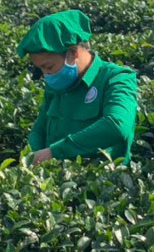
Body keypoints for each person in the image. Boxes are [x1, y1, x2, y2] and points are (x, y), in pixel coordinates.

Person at [17, 10, 137, 164]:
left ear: (73, 52)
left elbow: (117, 126)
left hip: (100, 181)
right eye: (40, 69)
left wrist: (55, 152)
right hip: (53, 180)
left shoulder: (116, 78)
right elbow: (39, 130)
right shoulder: (58, 84)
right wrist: (34, 158)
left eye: (49, 66)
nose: (46, 74)